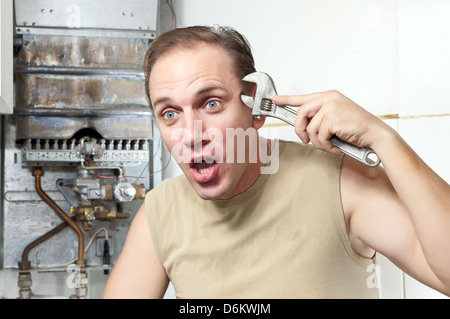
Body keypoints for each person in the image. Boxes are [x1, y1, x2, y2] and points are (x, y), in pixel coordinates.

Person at [103, 25, 450, 298]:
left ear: (255, 106)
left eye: (211, 103)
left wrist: (385, 140)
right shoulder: (161, 212)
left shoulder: (341, 183)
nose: (191, 134)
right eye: (170, 113)